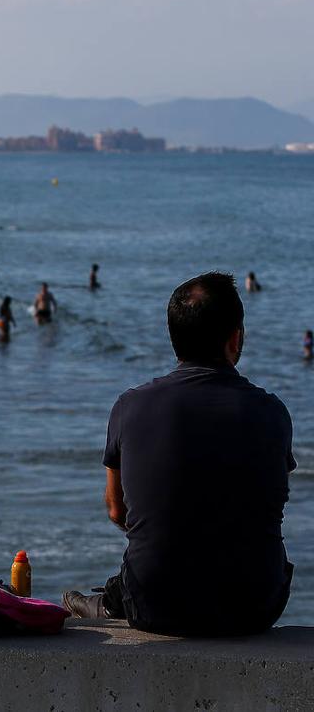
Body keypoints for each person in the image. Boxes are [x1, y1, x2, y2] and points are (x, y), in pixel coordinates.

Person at [63, 272, 295, 636]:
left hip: (156, 606)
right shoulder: (272, 412)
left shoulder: (130, 407)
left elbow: (116, 510)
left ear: (174, 339)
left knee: (145, 561)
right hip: (255, 606)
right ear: (235, 338)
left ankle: (110, 600)